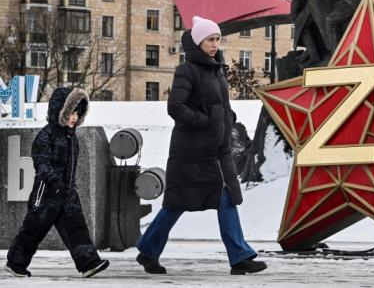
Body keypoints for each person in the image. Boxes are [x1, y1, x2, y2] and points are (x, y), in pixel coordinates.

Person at [135, 16, 267, 276]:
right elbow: (175, 106)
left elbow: (220, 105)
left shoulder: (217, 68)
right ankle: (148, 250)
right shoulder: (188, 69)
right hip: (191, 152)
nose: (215, 44)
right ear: (198, 42)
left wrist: (228, 119)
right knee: (177, 203)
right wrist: (204, 121)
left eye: (217, 39)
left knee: (227, 198)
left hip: (217, 152)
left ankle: (240, 258)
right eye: (210, 39)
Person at [5, 88, 110, 278]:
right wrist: (54, 183)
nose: (74, 118)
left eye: (77, 113)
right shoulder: (45, 136)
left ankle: (88, 262)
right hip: (46, 193)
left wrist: (69, 188)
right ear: (59, 112)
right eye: (70, 113)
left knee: (76, 226)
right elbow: (41, 163)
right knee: (34, 229)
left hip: (67, 192)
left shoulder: (72, 137)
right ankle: (15, 263)